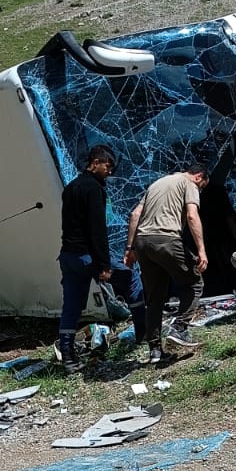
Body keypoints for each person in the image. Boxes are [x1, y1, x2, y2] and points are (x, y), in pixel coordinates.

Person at [124, 164, 209, 363]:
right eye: (203, 186)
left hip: (143, 243)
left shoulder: (157, 184)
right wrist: (201, 250)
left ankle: (155, 351)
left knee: (154, 297)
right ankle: (179, 329)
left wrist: (130, 249)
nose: (201, 191)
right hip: (166, 239)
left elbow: (135, 215)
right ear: (198, 177)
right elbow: (191, 215)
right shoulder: (189, 184)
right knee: (195, 283)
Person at [57, 144, 116, 374]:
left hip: (67, 256)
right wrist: (104, 265)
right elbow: (97, 230)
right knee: (131, 281)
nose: (109, 171)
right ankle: (146, 336)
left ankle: (68, 355)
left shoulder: (70, 188)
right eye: (107, 166)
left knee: (71, 306)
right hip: (86, 257)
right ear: (95, 163)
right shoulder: (93, 189)